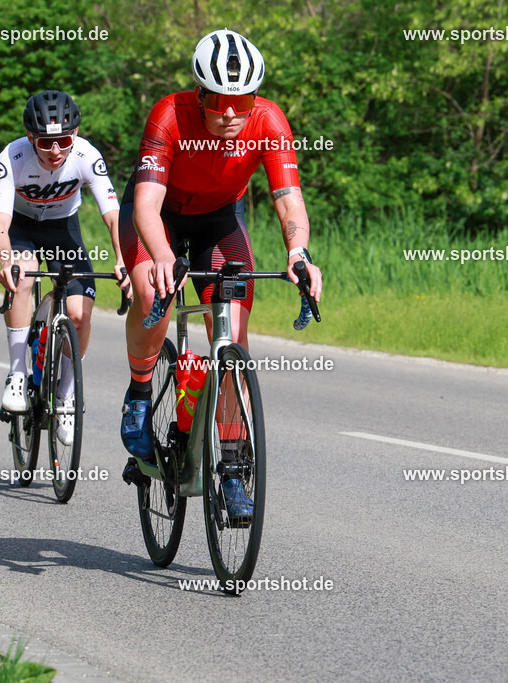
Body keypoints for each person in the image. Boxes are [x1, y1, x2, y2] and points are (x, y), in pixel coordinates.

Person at [118, 29, 323, 516]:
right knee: (151, 291)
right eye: (218, 99)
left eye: (243, 98)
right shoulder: (169, 115)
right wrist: (163, 256)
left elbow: (287, 197)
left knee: (230, 337)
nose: (230, 112)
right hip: (160, 216)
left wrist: (298, 253)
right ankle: (140, 391)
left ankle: (232, 464)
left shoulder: (270, 121)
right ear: (199, 93)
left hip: (219, 222)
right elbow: (147, 204)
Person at [0, 89, 130, 445]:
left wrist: (122, 258)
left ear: (76, 135)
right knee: (21, 279)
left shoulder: (86, 156)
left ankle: (66, 397)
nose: (56, 151)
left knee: (79, 311)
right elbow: (0, 223)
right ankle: (17, 374)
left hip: (63, 229)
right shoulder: (12, 157)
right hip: (22, 228)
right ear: (30, 138)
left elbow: (113, 216)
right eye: (46, 143)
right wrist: (6, 263)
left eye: (64, 141)